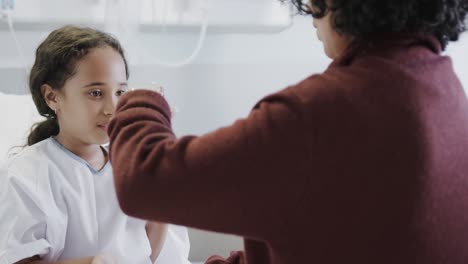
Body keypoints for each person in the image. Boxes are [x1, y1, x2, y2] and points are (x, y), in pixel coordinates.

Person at [107, 0, 468, 263]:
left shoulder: (318, 113)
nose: (309, 9)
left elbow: (144, 180)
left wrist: (142, 100)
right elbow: (346, 227)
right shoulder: (443, 87)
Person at [0, 26, 191, 264]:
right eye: (96, 93)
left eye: (120, 92)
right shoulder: (24, 174)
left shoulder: (132, 165)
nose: (112, 108)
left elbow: (145, 254)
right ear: (52, 97)